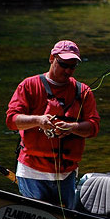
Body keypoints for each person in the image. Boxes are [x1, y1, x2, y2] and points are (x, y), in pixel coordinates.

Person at [6, 40, 100, 209]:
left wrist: (72, 128)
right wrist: (38, 120)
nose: (68, 70)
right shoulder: (29, 85)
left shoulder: (83, 91)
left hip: (66, 174)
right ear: (51, 58)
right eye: (63, 64)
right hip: (31, 171)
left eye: (72, 67)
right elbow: (12, 120)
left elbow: (93, 127)